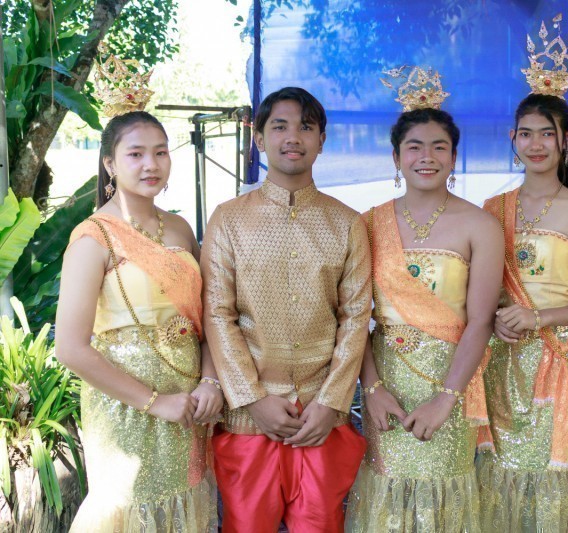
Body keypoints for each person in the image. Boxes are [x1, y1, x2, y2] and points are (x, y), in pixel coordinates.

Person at [201, 87, 371, 533]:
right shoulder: (228, 219)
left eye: (306, 127)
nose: (293, 137)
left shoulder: (347, 223)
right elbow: (217, 313)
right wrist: (252, 399)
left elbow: (356, 318)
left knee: (321, 524)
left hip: (320, 416)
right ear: (259, 138)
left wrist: (331, 403)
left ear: (322, 140)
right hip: (248, 417)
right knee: (246, 525)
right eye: (280, 126)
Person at [345, 67, 504, 532]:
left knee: (443, 493)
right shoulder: (367, 223)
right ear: (396, 157)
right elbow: (354, 317)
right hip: (386, 383)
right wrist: (371, 389)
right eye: (414, 147)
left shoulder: (481, 226)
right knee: (388, 492)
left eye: (439, 147)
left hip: (453, 379)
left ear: (454, 157)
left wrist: (446, 399)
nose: (427, 157)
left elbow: (481, 321)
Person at [56, 110, 222, 532]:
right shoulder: (93, 237)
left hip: (189, 405)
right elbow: (70, 348)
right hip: (126, 410)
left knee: (186, 503)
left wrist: (210, 381)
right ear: (110, 163)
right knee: (133, 509)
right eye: (136, 154)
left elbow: (207, 321)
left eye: (161, 152)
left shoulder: (181, 228)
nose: (151, 164)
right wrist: (154, 402)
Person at [479, 91, 568, 531]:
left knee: (555, 475)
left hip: (561, 363)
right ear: (512, 138)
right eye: (526, 134)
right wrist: (493, 319)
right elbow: (479, 292)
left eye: (546, 134)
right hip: (501, 360)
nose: (535, 145)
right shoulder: (492, 210)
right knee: (499, 471)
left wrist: (539, 318)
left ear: (566, 139)